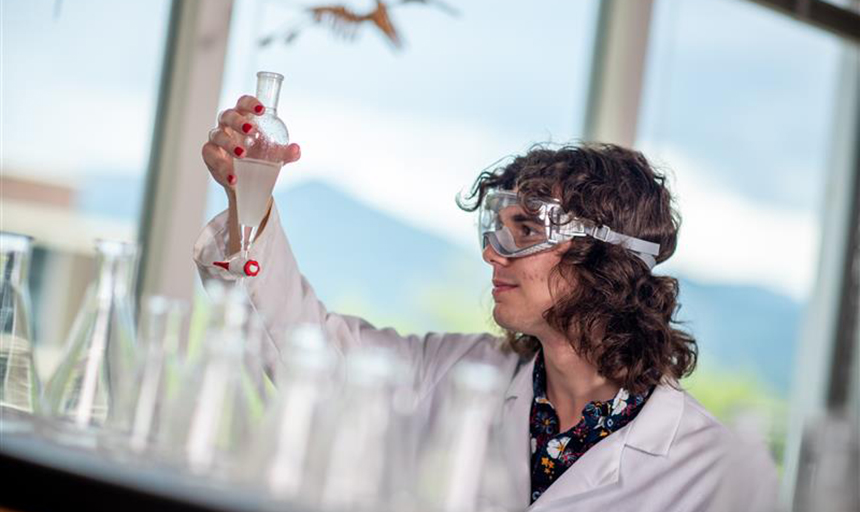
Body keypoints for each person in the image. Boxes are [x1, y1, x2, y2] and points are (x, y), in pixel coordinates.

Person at [196, 95, 779, 511]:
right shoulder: (452, 375)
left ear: (607, 256)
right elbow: (305, 348)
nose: (492, 255)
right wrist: (251, 202)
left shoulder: (716, 473)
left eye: (524, 230)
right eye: (493, 228)